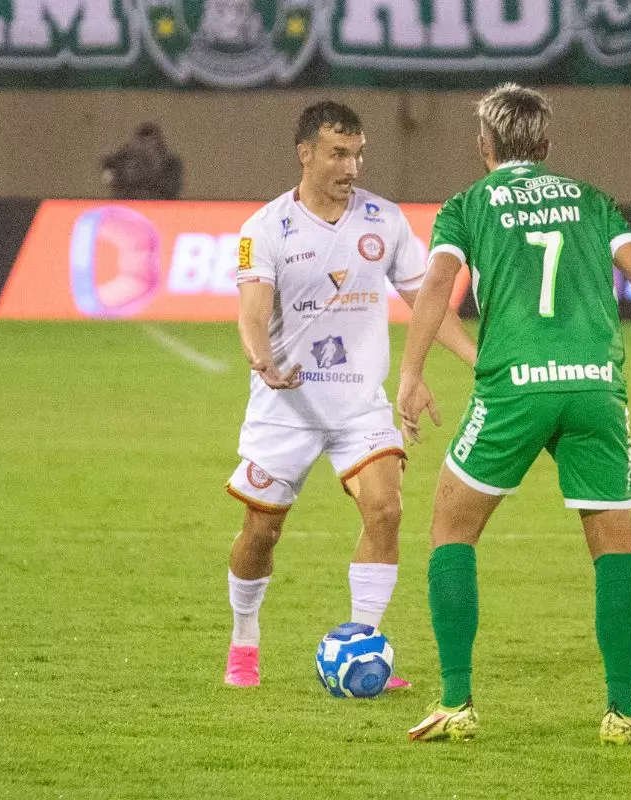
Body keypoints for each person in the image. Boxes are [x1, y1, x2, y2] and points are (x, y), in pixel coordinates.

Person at [396, 83, 631, 744]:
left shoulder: (467, 205)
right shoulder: (593, 200)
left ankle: (455, 702)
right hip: (594, 384)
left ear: (485, 146)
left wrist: (412, 373)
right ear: (547, 145)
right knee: (614, 544)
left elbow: (438, 286)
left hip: (516, 385)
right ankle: (621, 711)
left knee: (451, 527)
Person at [222, 101, 476, 688]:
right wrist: (261, 359)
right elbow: (252, 312)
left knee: (385, 511)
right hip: (286, 407)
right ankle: (245, 638)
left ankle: (363, 647)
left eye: (358, 153)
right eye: (339, 153)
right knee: (262, 533)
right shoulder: (263, 229)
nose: (352, 166)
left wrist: (478, 361)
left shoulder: (383, 221)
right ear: (305, 153)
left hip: (360, 405)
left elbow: (428, 304)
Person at [101, 123, 184, 200]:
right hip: (128, 206)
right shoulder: (122, 161)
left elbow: (171, 189)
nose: (146, 147)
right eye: (143, 143)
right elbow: (108, 175)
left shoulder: (172, 164)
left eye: (150, 144)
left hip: (160, 207)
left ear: (159, 144)